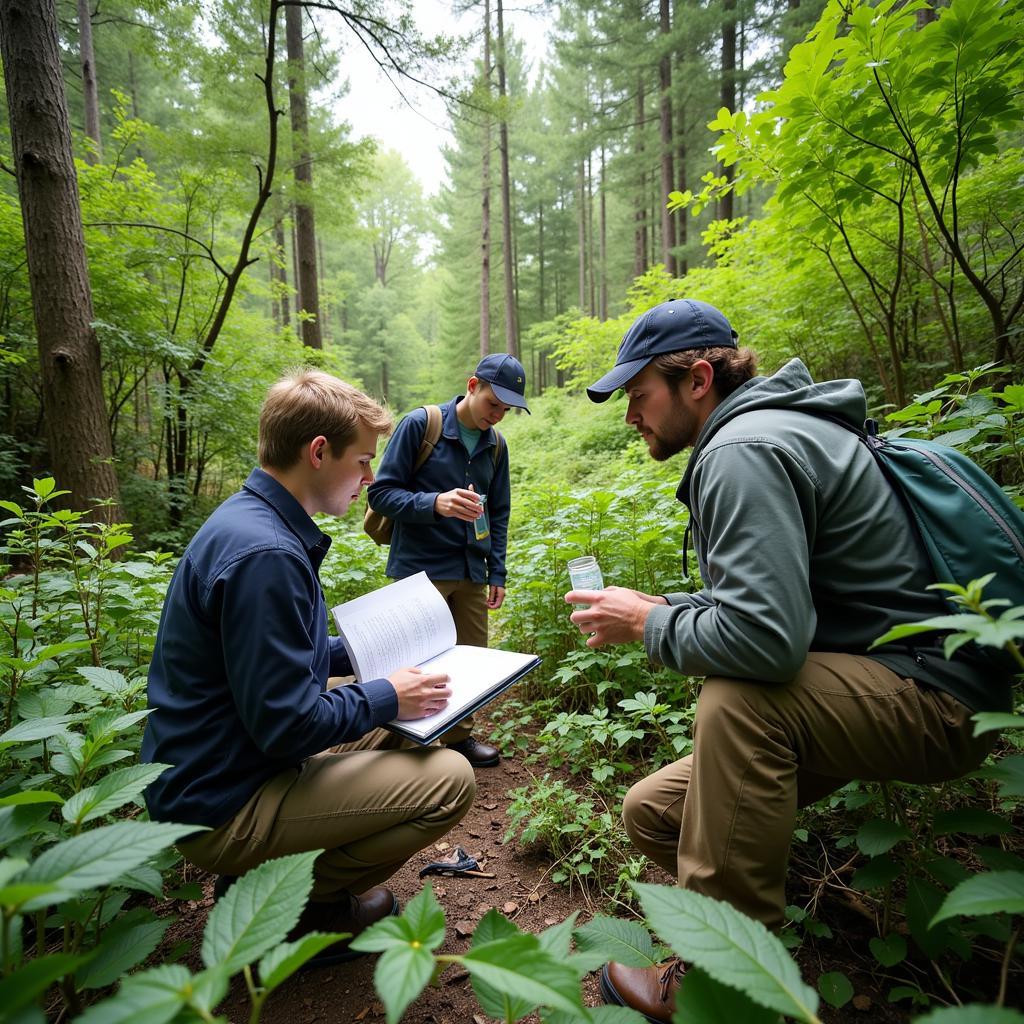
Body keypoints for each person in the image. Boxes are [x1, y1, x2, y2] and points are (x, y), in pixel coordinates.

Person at [569, 299, 1002, 1022]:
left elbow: (766, 644)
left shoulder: (743, 450)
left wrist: (652, 627)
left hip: (936, 693)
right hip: (888, 675)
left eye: (639, 395)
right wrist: (667, 604)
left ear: (697, 378)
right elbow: (779, 596)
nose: (630, 417)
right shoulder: (777, 429)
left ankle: (726, 981)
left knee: (739, 701)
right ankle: (733, 922)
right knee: (654, 813)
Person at [142, 369, 476, 968]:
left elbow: (269, 660)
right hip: (223, 802)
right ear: (318, 453)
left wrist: (359, 659)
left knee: (393, 713)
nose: (371, 479)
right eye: (363, 461)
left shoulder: (252, 522)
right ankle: (294, 910)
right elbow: (285, 725)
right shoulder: (266, 554)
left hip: (221, 766)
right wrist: (386, 695)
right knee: (448, 778)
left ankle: (269, 882)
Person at [367, 353, 530, 768]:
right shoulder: (423, 426)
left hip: (471, 571)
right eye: (494, 404)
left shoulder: (497, 446)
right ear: (473, 385)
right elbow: (381, 493)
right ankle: (401, 744)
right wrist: (434, 503)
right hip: (420, 569)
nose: (498, 415)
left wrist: (498, 570)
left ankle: (458, 739)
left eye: (507, 410)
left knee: (471, 657)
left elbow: (499, 512)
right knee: (416, 659)